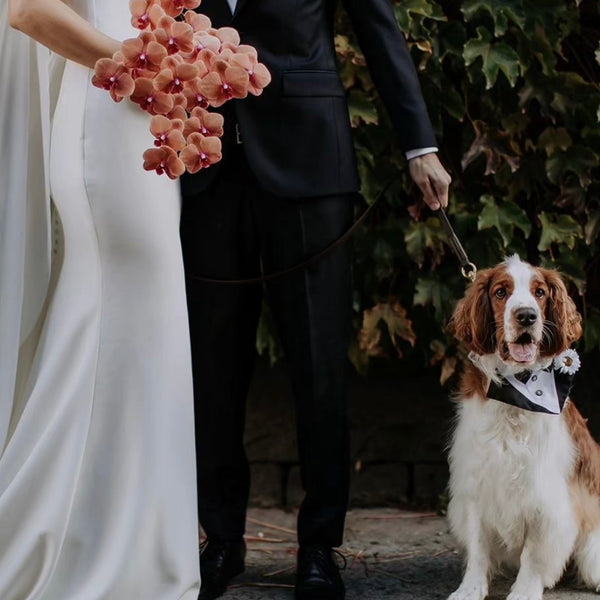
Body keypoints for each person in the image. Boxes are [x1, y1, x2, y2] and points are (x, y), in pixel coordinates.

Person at [179, 1, 452, 599]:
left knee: (319, 362)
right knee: (211, 367)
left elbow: (378, 24)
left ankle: (320, 546)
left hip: (309, 164)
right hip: (205, 165)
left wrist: (418, 147)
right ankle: (220, 539)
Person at [0, 2, 200, 599]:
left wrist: (187, 57)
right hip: (108, 111)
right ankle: (77, 552)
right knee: (118, 326)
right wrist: (136, 70)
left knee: (143, 334)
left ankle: (130, 547)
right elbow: (27, 11)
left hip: (141, 111)